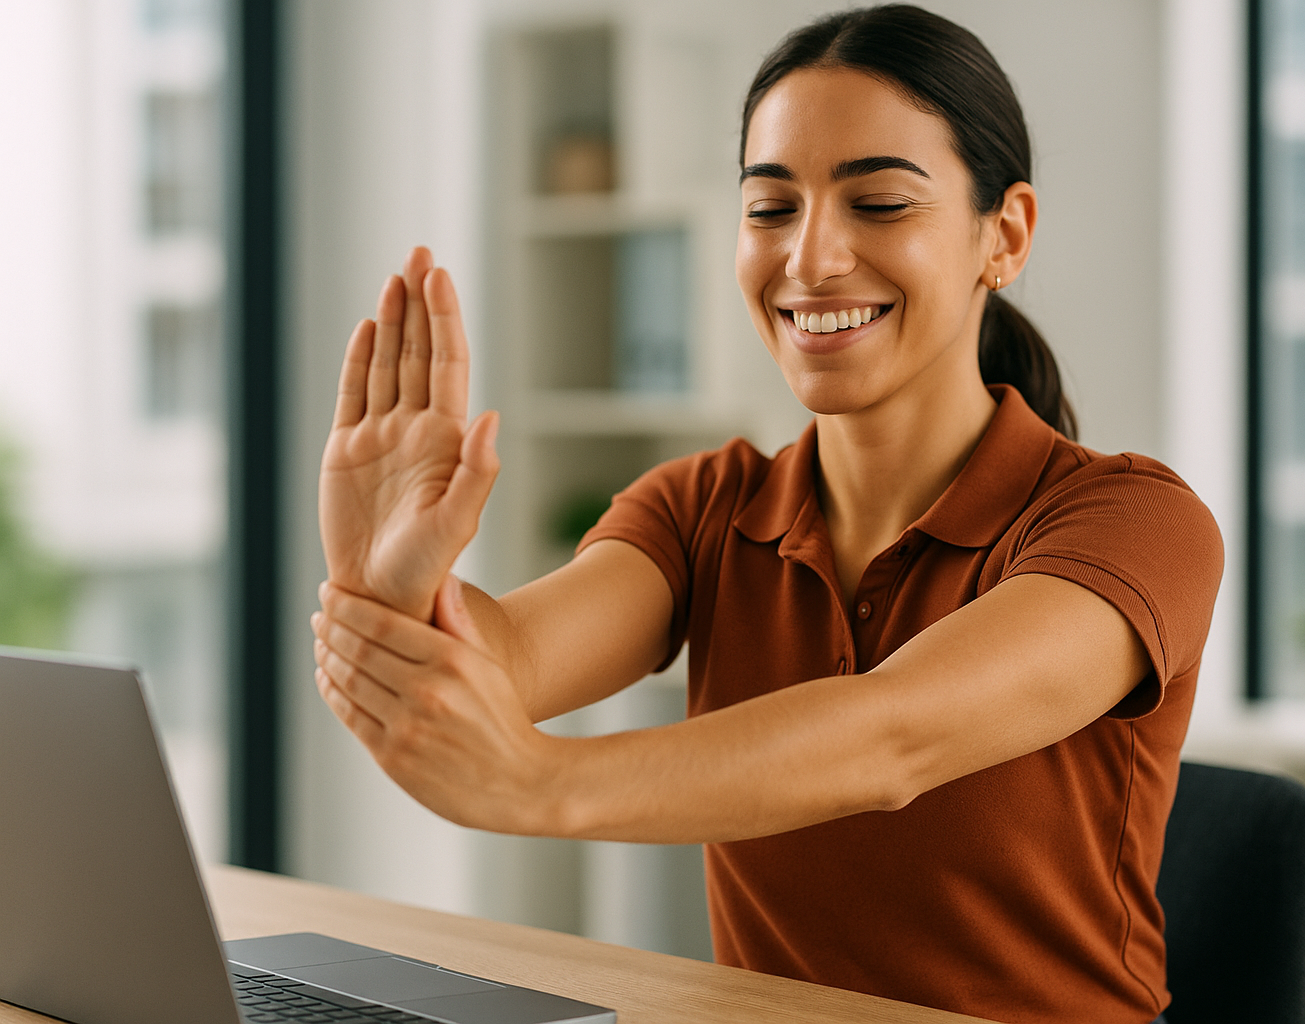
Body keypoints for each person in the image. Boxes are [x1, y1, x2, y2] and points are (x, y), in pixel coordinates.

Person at [309, 6, 1222, 1023]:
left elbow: (890, 739)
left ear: (1002, 237)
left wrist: (540, 785)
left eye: (877, 203)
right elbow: (504, 665)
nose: (812, 258)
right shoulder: (706, 508)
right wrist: (392, 584)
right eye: (770, 208)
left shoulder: (1135, 523)